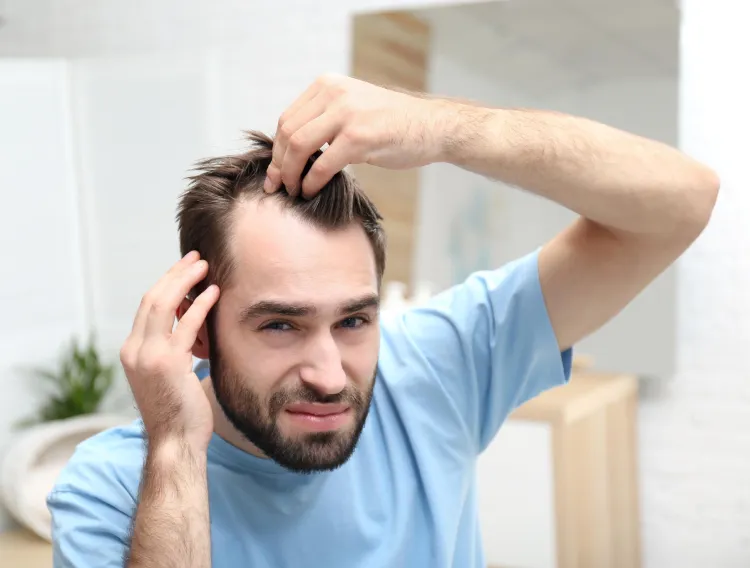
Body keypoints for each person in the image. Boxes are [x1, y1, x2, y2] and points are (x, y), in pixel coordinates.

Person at [47, 74, 719, 568]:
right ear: (198, 327)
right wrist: (175, 448)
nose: (330, 374)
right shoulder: (113, 491)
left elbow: (682, 202)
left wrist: (443, 129)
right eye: (280, 325)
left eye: (354, 321)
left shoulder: (434, 367)